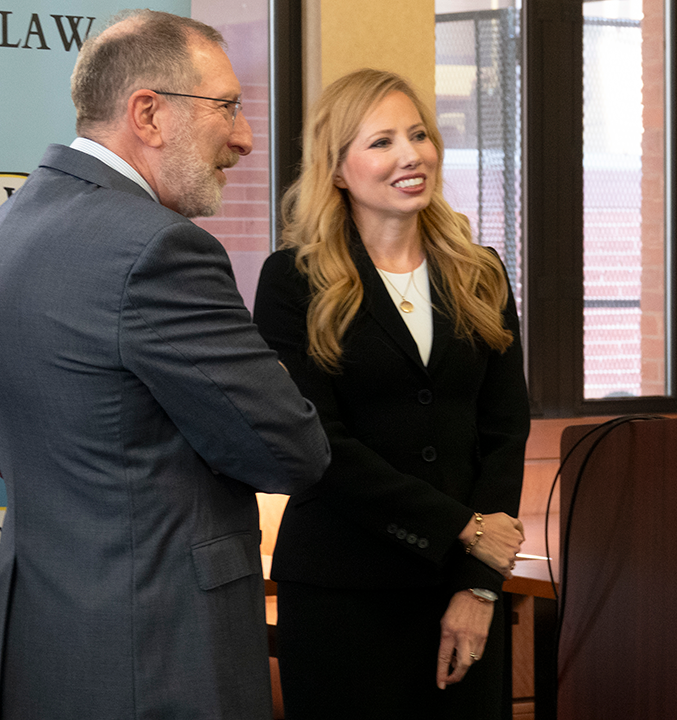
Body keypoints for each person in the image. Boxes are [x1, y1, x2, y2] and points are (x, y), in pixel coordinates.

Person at [0, 10, 330, 720]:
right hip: (157, 657)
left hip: (44, 646)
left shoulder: (18, 222)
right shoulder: (159, 250)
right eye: (229, 108)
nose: (244, 138)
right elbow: (291, 449)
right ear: (147, 112)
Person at [253, 68, 530, 718]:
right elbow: (319, 448)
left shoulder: (480, 273)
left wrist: (480, 587)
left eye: (419, 135)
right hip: (340, 598)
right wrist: (463, 528)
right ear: (339, 169)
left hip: (460, 592)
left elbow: (505, 432)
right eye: (382, 142)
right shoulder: (292, 281)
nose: (411, 155)